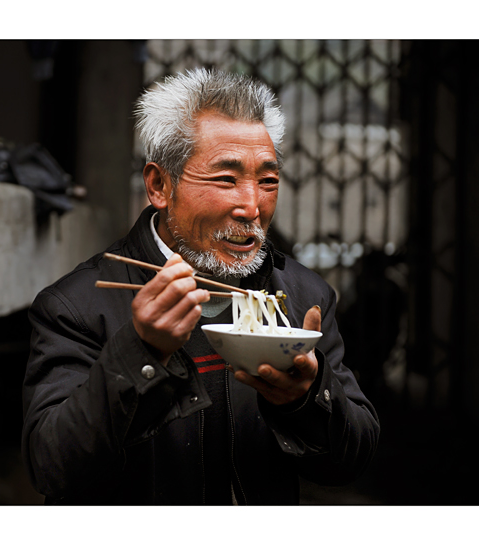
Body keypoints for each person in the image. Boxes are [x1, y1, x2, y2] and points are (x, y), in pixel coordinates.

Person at [21, 69, 380, 505]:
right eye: (226, 179)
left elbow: (351, 460)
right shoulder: (76, 306)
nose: (251, 206)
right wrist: (141, 353)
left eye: (267, 180)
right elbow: (52, 468)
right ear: (159, 185)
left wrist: (305, 398)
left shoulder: (304, 298)